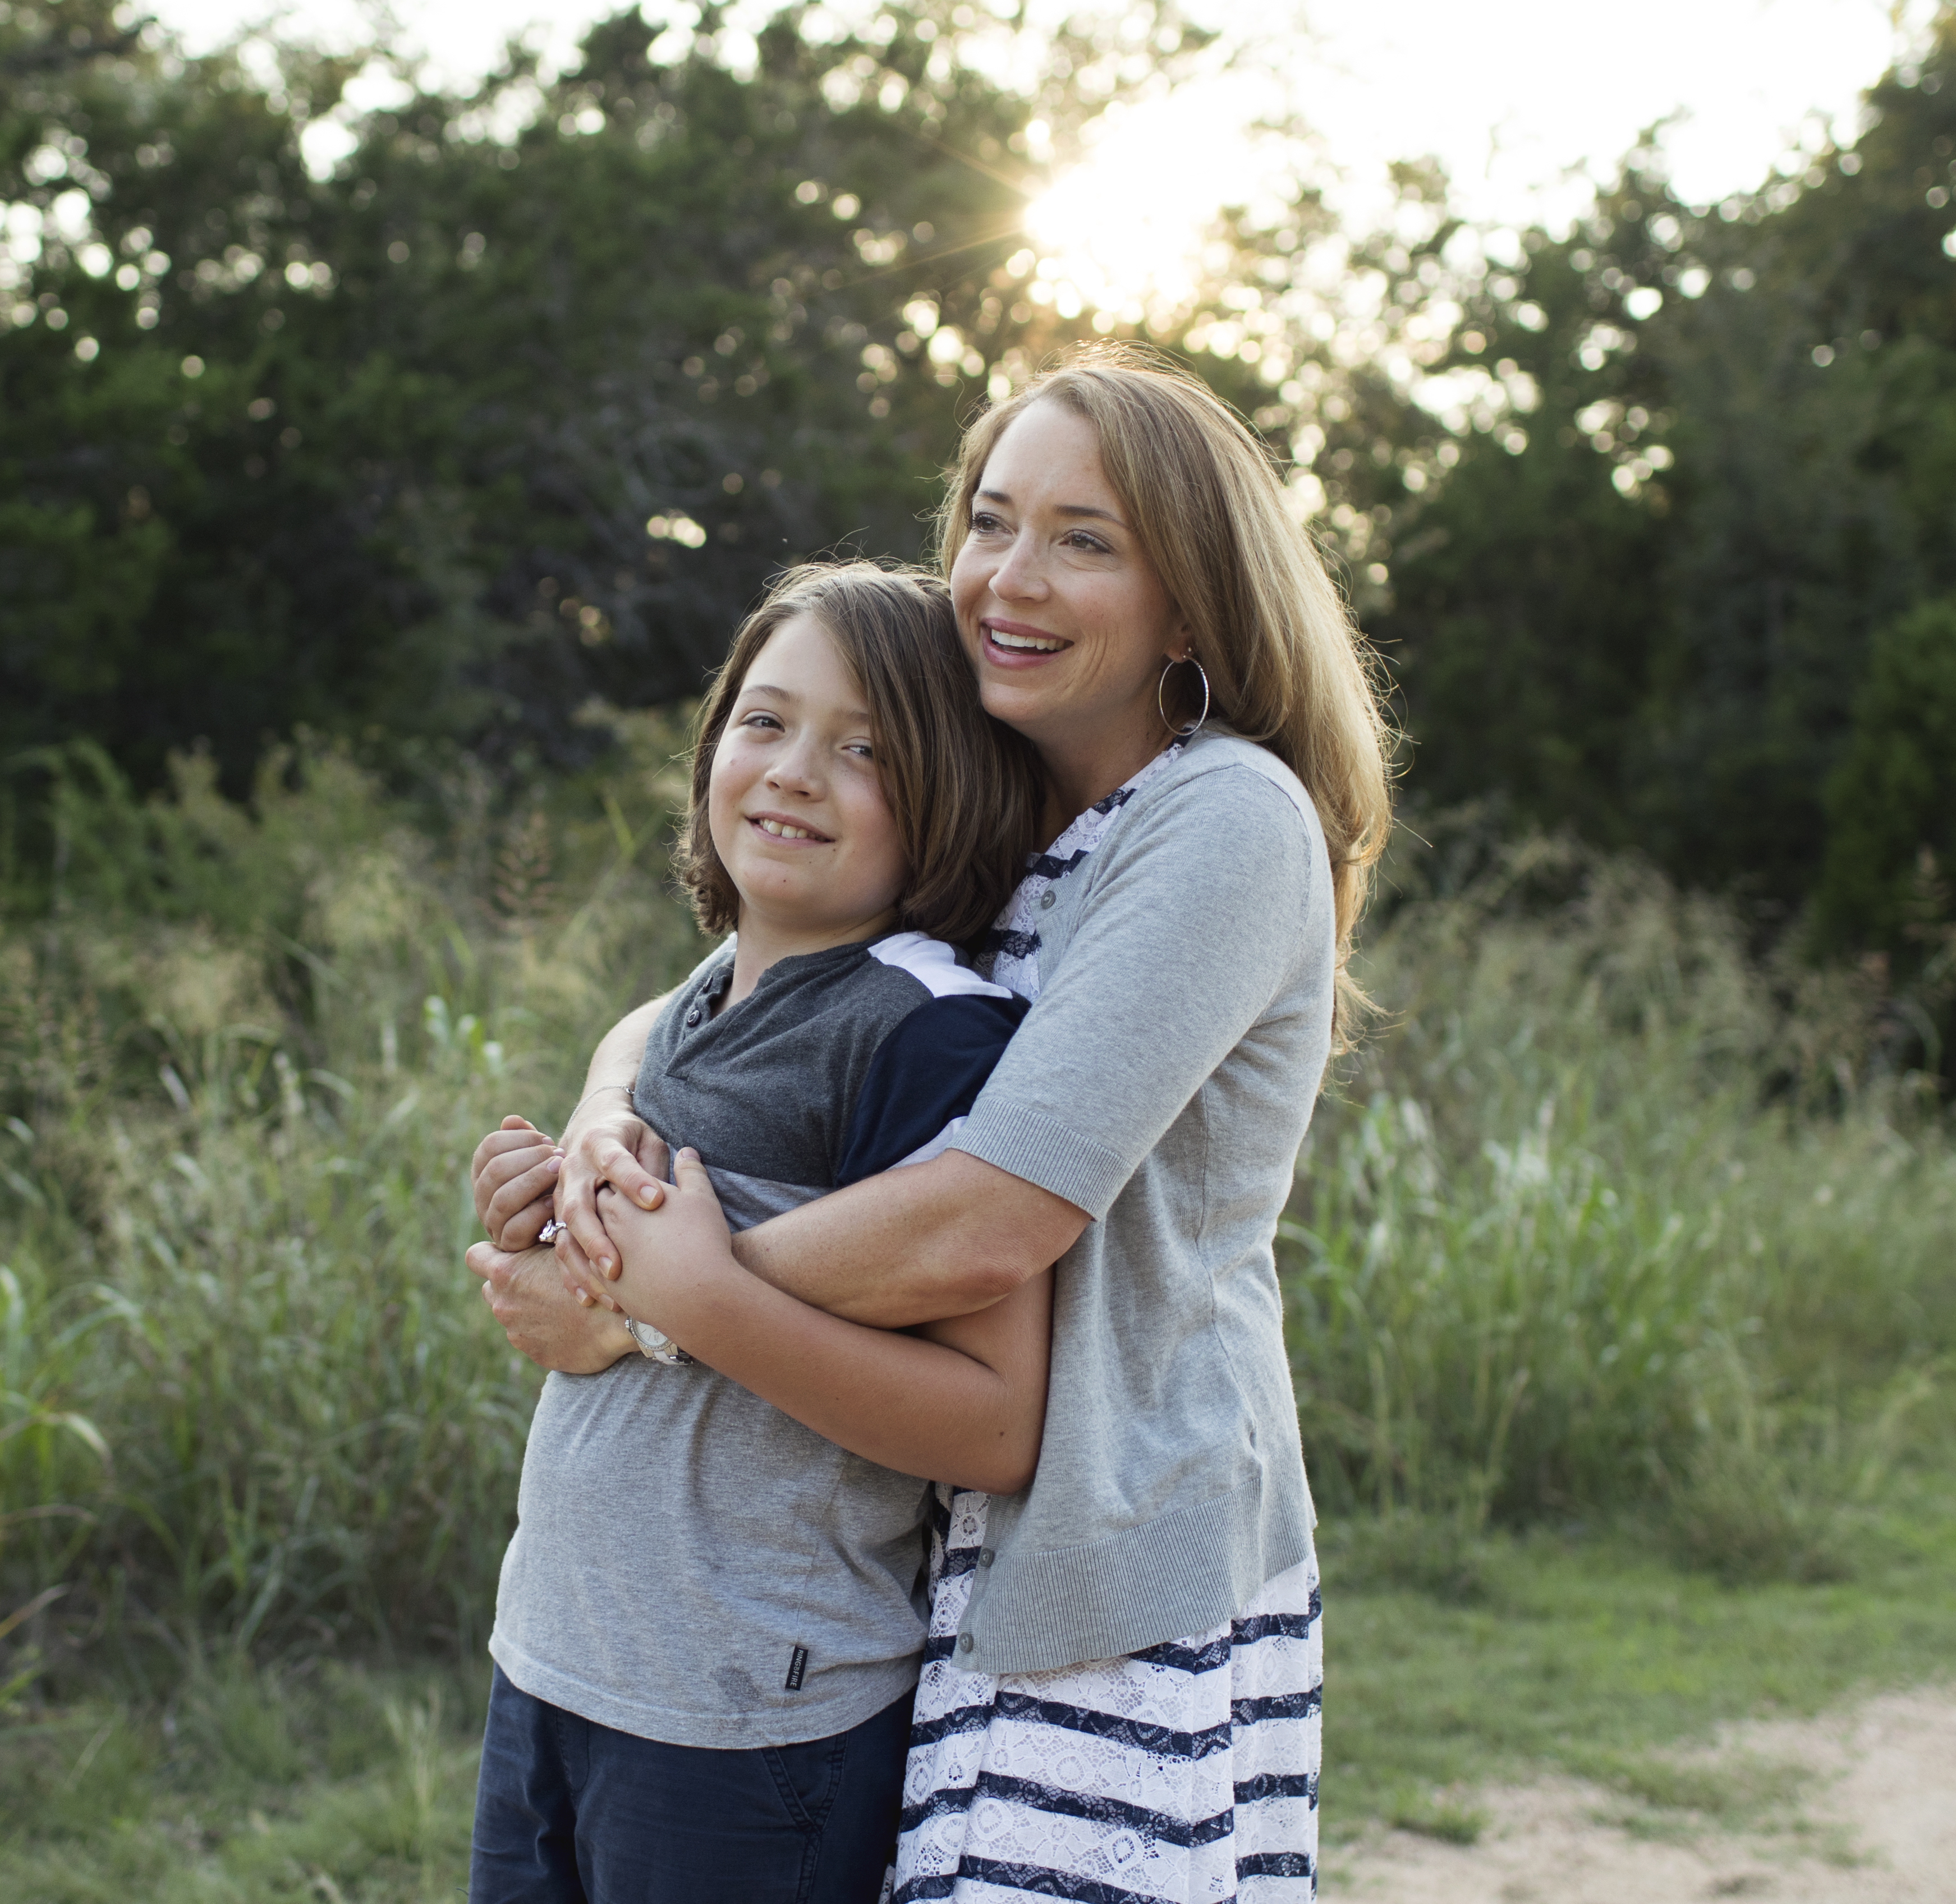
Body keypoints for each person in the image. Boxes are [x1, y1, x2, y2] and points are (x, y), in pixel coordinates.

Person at [472, 344, 1393, 1902]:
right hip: (957, 1543)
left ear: (1191, 597)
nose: (1007, 576)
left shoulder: (1220, 813)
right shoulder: (1021, 807)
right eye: (988, 519)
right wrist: (598, 1142)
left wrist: (645, 1303)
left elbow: (987, 1215)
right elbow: (710, 997)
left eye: (1083, 538)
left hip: (1118, 1528)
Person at [469, 562, 1066, 1904]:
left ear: (950, 794)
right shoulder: (695, 999)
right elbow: (633, 1305)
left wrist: (689, 1302)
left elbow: (991, 1419)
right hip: (558, 1662)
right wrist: (547, 1205)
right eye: (765, 721)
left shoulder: (926, 1029)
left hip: (752, 1717)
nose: (797, 770)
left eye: (864, 749)